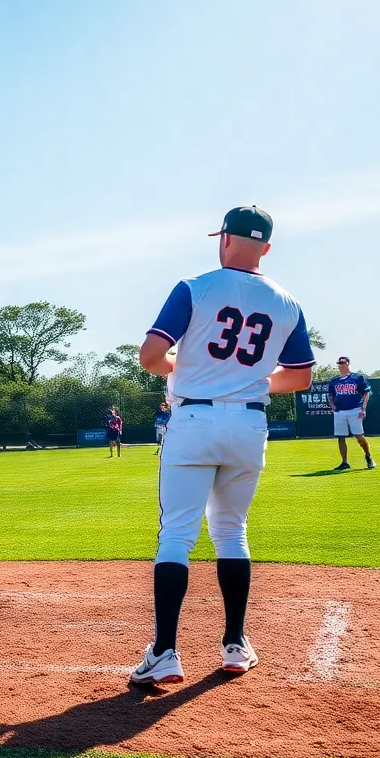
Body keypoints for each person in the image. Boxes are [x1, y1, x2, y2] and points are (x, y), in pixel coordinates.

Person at [131, 206, 315, 685]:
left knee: (176, 536)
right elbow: (300, 377)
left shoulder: (195, 286)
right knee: (232, 530)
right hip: (250, 424)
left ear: (224, 239)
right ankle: (235, 645)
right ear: (267, 248)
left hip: (193, 418)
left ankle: (166, 652)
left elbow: (151, 356)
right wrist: (246, 383)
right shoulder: (287, 300)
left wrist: (186, 371)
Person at [328, 356, 376, 471]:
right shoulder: (334, 380)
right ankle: (344, 462)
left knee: (359, 436)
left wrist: (363, 409)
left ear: (348, 364)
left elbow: (366, 393)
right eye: (339, 363)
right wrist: (333, 407)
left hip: (355, 410)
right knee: (341, 437)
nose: (341, 365)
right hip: (340, 411)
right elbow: (331, 396)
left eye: (343, 363)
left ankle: (368, 456)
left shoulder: (357, 377)